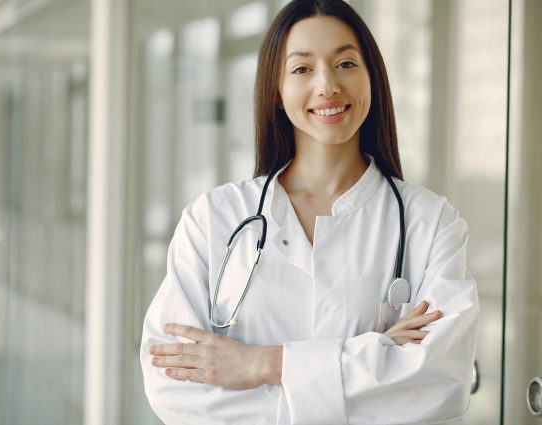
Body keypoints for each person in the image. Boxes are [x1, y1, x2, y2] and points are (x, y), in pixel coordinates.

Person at [140, 0, 479, 424]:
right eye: (302, 69)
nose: (328, 85)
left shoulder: (431, 222)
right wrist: (375, 358)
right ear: (276, 92)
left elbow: (439, 384)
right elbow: (173, 386)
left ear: (372, 76)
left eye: (346, 64)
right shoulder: (213, 219)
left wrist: (263, 366)